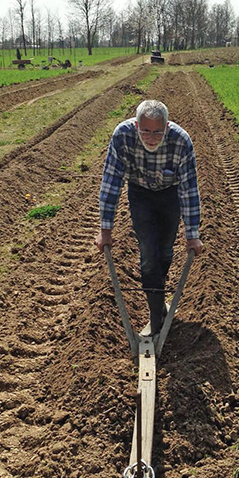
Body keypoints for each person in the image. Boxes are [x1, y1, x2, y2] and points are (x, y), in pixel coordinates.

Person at [95, 100, 204, 336]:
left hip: (170, 195)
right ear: (136, 126)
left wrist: (192, 235)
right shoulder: (122, 136)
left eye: (157, 131)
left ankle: (158, 296)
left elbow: (189, 190)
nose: (151, 137)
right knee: (147, 255)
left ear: (166, 127)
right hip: (140, 194)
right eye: (145, 130)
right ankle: (157, 319)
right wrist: (106, 230)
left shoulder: (181, 141)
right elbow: (111, 182)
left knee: (164, 252)